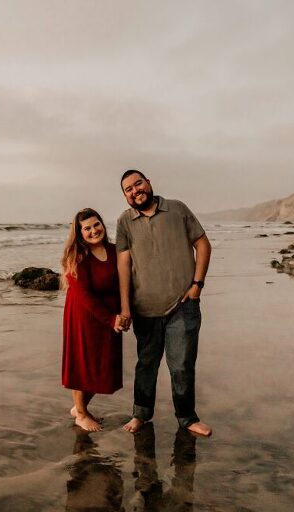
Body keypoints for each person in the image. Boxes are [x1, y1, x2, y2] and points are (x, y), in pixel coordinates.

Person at [116, 170, 213, 436]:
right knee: (146, 364)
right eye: (128, 189)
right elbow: (123, 266)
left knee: (181, 364)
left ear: (148, 182)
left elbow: (203, 244)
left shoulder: (177, 209)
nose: (135, 190)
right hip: (144, 309)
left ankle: (187, 417)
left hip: (183, 306)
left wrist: (197, 285)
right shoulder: (125, 222)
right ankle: (140, 415)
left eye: (138, 184)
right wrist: (125, 308)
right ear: (125, 197)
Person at [62, 208, 129, 432]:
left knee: (103, 367)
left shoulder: (114, 250)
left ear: (103, 224)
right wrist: (111, 319)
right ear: (80, 233)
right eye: (87, 228)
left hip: (110, 316)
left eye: (96, 224)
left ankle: (78, 407)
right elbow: (84, 296)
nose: (93, 231)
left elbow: (125, 281)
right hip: (84, 316)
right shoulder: (78, 257)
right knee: (84, 364)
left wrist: (125, 312)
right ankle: (81, 414)